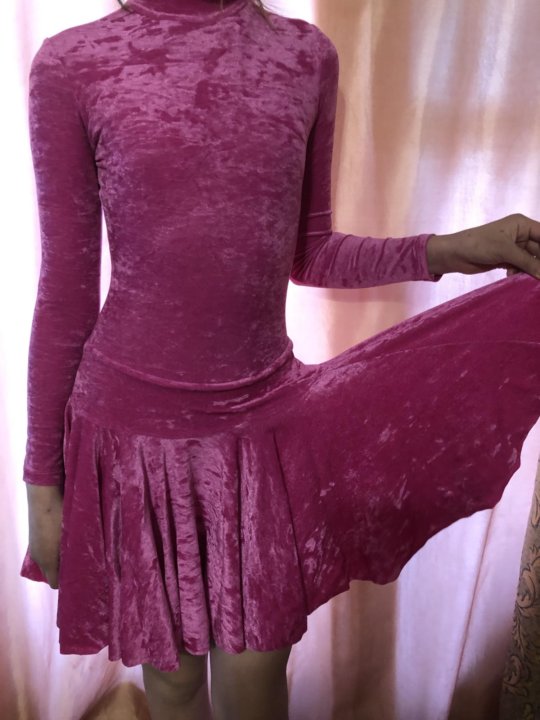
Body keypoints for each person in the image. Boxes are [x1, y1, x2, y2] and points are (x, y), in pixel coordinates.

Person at [19, 1, 540, 719]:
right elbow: (65, 294)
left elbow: (310, 251)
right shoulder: (72, 64)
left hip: (261, 430)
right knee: (171, 681)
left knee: (255, 678)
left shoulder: (304, 56)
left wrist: (451, 250)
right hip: (132, 434)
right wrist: (42, 487)